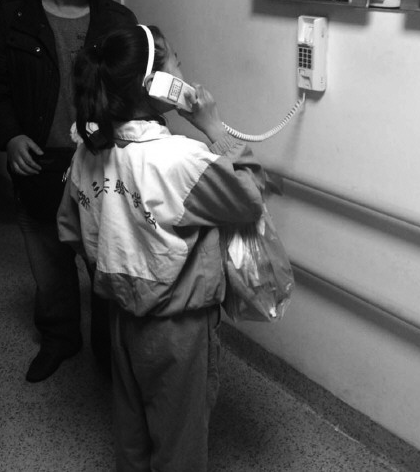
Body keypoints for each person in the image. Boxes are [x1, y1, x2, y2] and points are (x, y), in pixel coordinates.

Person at [57, 24, 265, 472]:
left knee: (131, 426)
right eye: (177, 63)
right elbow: (249, 198)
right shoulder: (182, 161)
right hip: (178, 329)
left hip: (120, 317)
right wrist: (213, 127)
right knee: (180, 440)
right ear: (156, 84)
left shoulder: (87, 149)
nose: (184, 72)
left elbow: (69, 228)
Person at [0, 0, 138, 382]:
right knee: (50, 270)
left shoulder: (116, 20)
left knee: (106, 268)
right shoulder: (14, 16)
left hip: (100, 166)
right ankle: (59, 340)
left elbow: (135, 92)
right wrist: (10, 136)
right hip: (40, 167)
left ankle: (109, 356)